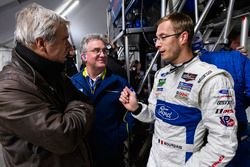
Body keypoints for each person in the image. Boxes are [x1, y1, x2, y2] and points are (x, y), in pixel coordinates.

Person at [119, 12, 238, 167]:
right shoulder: (162, 74)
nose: (157, 44)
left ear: (183, 37)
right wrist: (136, 108)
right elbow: (156, 115)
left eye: (163, 37)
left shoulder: (212, 79)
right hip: (155, 159)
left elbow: (223, 146)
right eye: (157, 38)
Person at [0, 3, 94, 167]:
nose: (70, 48)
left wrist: (73, 108)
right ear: (41, 44)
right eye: (64, 40)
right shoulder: (9, 88)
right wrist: (82, 105)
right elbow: (64, 136)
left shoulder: (50, 72)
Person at [70, 33, 135, 167]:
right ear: (84, 57)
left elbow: (131, 111)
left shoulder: (119, 82)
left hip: (111, 151)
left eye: (104, 50)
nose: (102, 54)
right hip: (82, 152)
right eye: (96, 50)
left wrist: (119, 135)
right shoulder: (72, 83)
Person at [193, 33, 250, 167]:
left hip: (199, 145)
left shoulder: (175, 71)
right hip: (236, 139)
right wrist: (236, 105)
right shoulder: (236, 58)